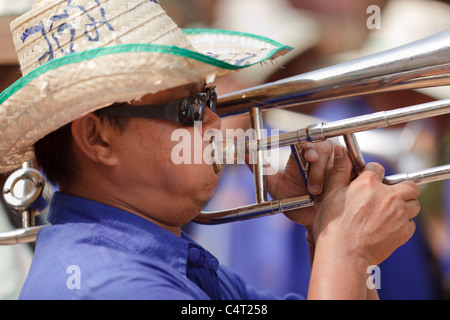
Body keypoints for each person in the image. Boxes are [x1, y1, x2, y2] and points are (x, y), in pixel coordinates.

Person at [0, 0, 420, 300]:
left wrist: (324, 228)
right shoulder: (109, 285)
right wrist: (346, 251)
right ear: (97, 139)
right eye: (190, 107)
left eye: (210, 101)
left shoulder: (164, 257)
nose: (215, 122)